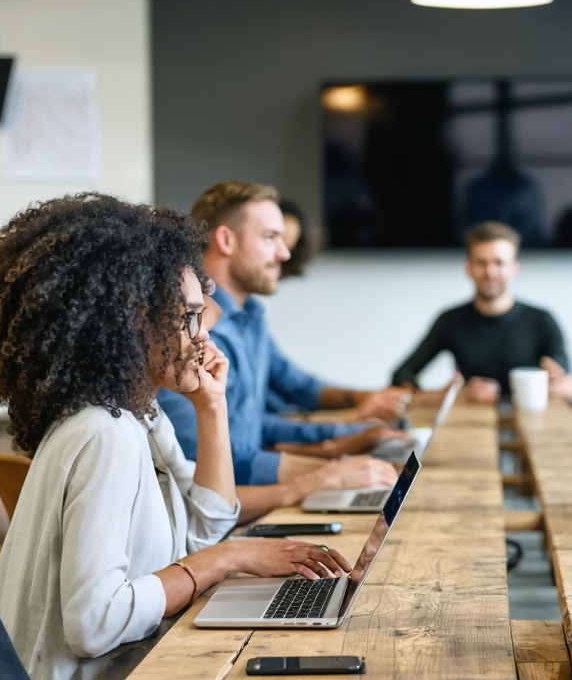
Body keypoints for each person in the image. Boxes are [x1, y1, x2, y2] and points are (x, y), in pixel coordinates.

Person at [0, 194, 414, 680]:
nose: (202, 334)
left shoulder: (133, 417)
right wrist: (223, 564)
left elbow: (202, 523)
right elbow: (94, 622)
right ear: (129, 320)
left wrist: (210, 405)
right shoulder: (104, 436)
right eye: (187, 317)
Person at [157, 182, 401, 521]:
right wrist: (327, 467)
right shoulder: (192, 335)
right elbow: (211, 459)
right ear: (226, 240)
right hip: (217, 518)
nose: (285, 253)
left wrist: (348, 437)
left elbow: (260, 419)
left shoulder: (251, 317)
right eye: (271, 237)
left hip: (233, 511)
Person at [391, 220, 572, 402]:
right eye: (481, 263)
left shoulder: (542, 320)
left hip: (533, 422)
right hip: (472, 423)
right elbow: (401, 375)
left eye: (499, 263)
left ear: (513, 268)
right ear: (469, 268)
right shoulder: (451, 320)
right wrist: (448, 396)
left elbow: (566, 380)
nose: (490, 272)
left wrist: (558, 386)